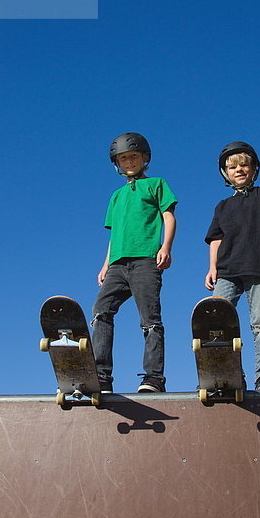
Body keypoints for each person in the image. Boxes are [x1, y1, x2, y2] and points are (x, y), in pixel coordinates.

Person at [91, 132, 178, 393]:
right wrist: (105, 264)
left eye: (133, 156)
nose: (129, 161)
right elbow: (114, 233)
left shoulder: (156, 184)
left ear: (144, 158)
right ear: (117, 163)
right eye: (123, 158)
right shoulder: (116, 196)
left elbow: (169, 216)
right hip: (117, 264)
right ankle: (101, 375)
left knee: (149, 318)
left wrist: (166, 246)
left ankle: (153, 378)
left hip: (145, 260)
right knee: (101, 310)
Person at [204, 141, 260, 390]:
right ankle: (227, 372)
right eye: (232, 167)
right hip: (227, 270)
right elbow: (216, 239)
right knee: (216, 321)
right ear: (225, 173)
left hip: (258, 267)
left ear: (254, 169)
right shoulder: (222, 206)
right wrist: (212, 267)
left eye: (244, 164)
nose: (239, 169)